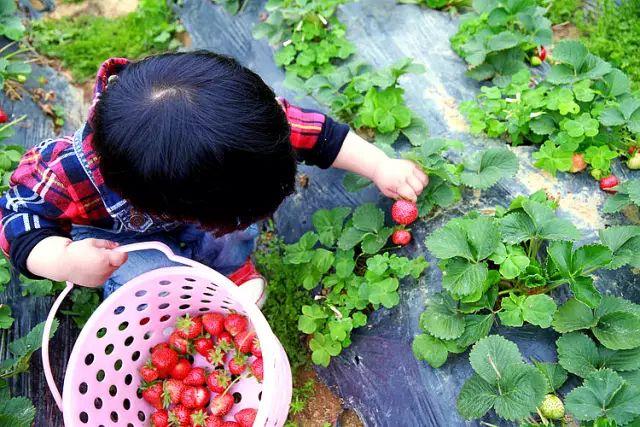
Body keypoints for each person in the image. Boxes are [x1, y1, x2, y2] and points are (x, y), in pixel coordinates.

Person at [0, 51, 427, 305]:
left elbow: (320, 135)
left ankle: (231, 268)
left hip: (195, 203)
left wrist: (379, 166)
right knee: (144, 281)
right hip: (121, 243)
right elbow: (18, 224)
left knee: (230, 236)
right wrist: (64, 260)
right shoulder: (65, 172)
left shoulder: (242, 123)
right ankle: (178, 300)